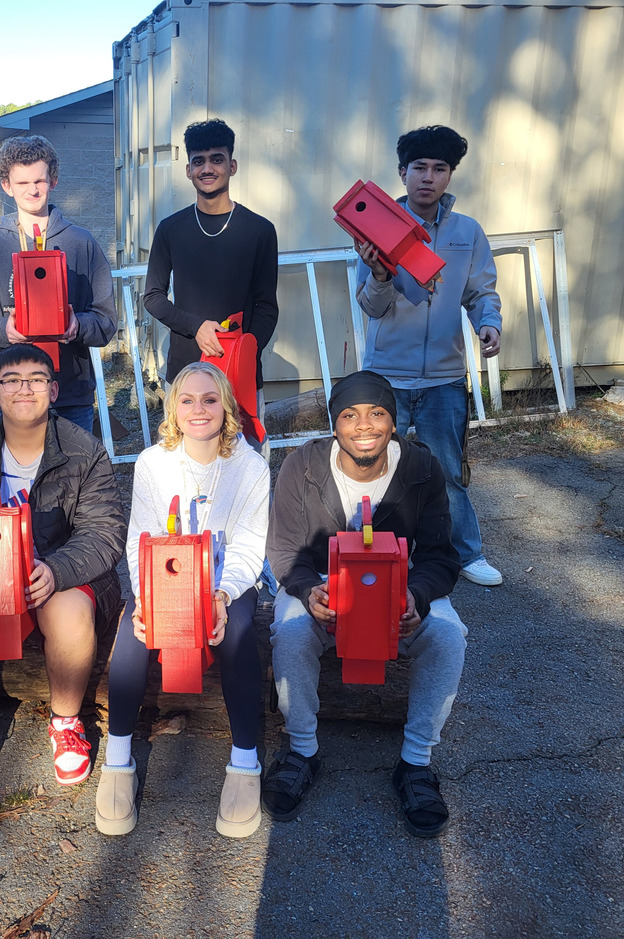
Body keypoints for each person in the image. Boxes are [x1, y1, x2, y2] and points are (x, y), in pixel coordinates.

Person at [264, 370, 466, 838]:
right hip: (320, 586)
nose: (364, 426)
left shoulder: (421, 468)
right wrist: (303, 589)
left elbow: (440, 556)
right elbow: (284, 550)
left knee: (448, 635)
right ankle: (302, 750)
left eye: (378, 413)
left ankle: (415, 763)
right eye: (350, 415)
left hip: (398, 586)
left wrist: (414, 596)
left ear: (393, 422)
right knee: (291, 629)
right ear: (334, 423)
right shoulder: (302, 466)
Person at [0, 344, 126, 786]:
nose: (23, 389)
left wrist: (55, 571)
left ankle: (66, 723)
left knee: (67, 611)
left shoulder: (83, 450)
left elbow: (104, 533)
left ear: (53, 390)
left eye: (35, 379)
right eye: (11, 380)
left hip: (58, 571)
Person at [95, 361, 269, 839]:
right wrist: (148, 595)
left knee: (235, 632)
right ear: (173, 408)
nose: (199, 409)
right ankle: (117, 760)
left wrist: (222, 592)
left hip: (223, 580)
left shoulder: (250, 466)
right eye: (187, 400)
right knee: (136, 628)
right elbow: (139, 538)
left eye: (210, 400)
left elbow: (251, 545)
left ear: (226, 406)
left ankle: (245, 763)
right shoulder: (153, 463)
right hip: (164, 575)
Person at [355, 124, 503, 586]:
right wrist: (379, 276)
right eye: (419, 167)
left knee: (448, 471)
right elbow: (370, 306)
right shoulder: (375, 227)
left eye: (440, 169)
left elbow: (481, 290)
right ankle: (368, 551)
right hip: (386, 376)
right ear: (402, 173)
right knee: (374, 471)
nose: (428, 177)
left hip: (444, 376)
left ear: (449, 176)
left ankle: (468, 553)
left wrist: (488, 322)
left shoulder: (467, 232)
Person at [0, 135, 118, 432]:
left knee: (74, 477)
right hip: (15, 394)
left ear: (53, 180)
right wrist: (4, 330)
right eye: (22, 183)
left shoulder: (81, 243)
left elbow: (106, 321)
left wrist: (77, 326)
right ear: (6, 186)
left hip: (72, 394)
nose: (32, 190)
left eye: (39, 181)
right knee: (21, 477)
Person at [143, 118, 278, 435]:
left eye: (216, 159)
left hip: (240, 373)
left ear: (232, 166)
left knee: (244, 463)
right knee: (185, 466)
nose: (207, 168)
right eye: (198, 161)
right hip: (186, 373)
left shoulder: (259, 231)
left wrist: (244, 353)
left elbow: (266, 306)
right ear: (188, 170)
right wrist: (196, 326)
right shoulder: (171, 229)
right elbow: (153, 297)